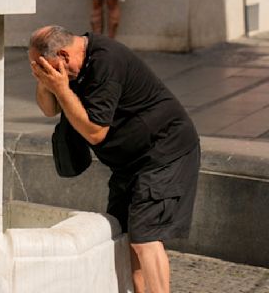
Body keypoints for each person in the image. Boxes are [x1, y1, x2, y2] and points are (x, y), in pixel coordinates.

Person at [28, 25, 200, 293]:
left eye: (45, 66)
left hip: (163, 152)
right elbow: (49, 110)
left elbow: (95, 132)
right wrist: (45, 82)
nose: (46, 72)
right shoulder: (68, 67)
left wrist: (62, 90)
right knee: (125, 234)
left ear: (63, 54)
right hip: (128, 163)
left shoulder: (106, 62)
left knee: (145, 236)